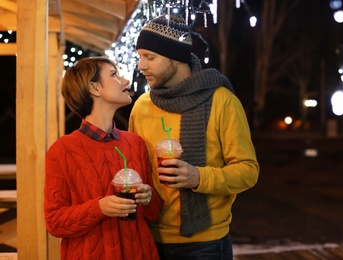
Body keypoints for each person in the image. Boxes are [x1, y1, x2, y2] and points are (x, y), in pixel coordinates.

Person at [128, 15, 260, 259]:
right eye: (140, 57)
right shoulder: (142, 106)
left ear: (176, 57)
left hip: (205, 244)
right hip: (148, 237)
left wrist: (199, 176)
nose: (141, 66)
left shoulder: (222, 101)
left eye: (150, 57)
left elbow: (248, 171)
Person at [44, 57, 161, 259]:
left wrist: (148, 197)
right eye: (114, 75)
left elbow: (153, 214)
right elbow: (54, 222)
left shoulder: (136, 143)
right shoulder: (62, 150)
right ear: (94, 88)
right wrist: (99, 208)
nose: (126, 81)